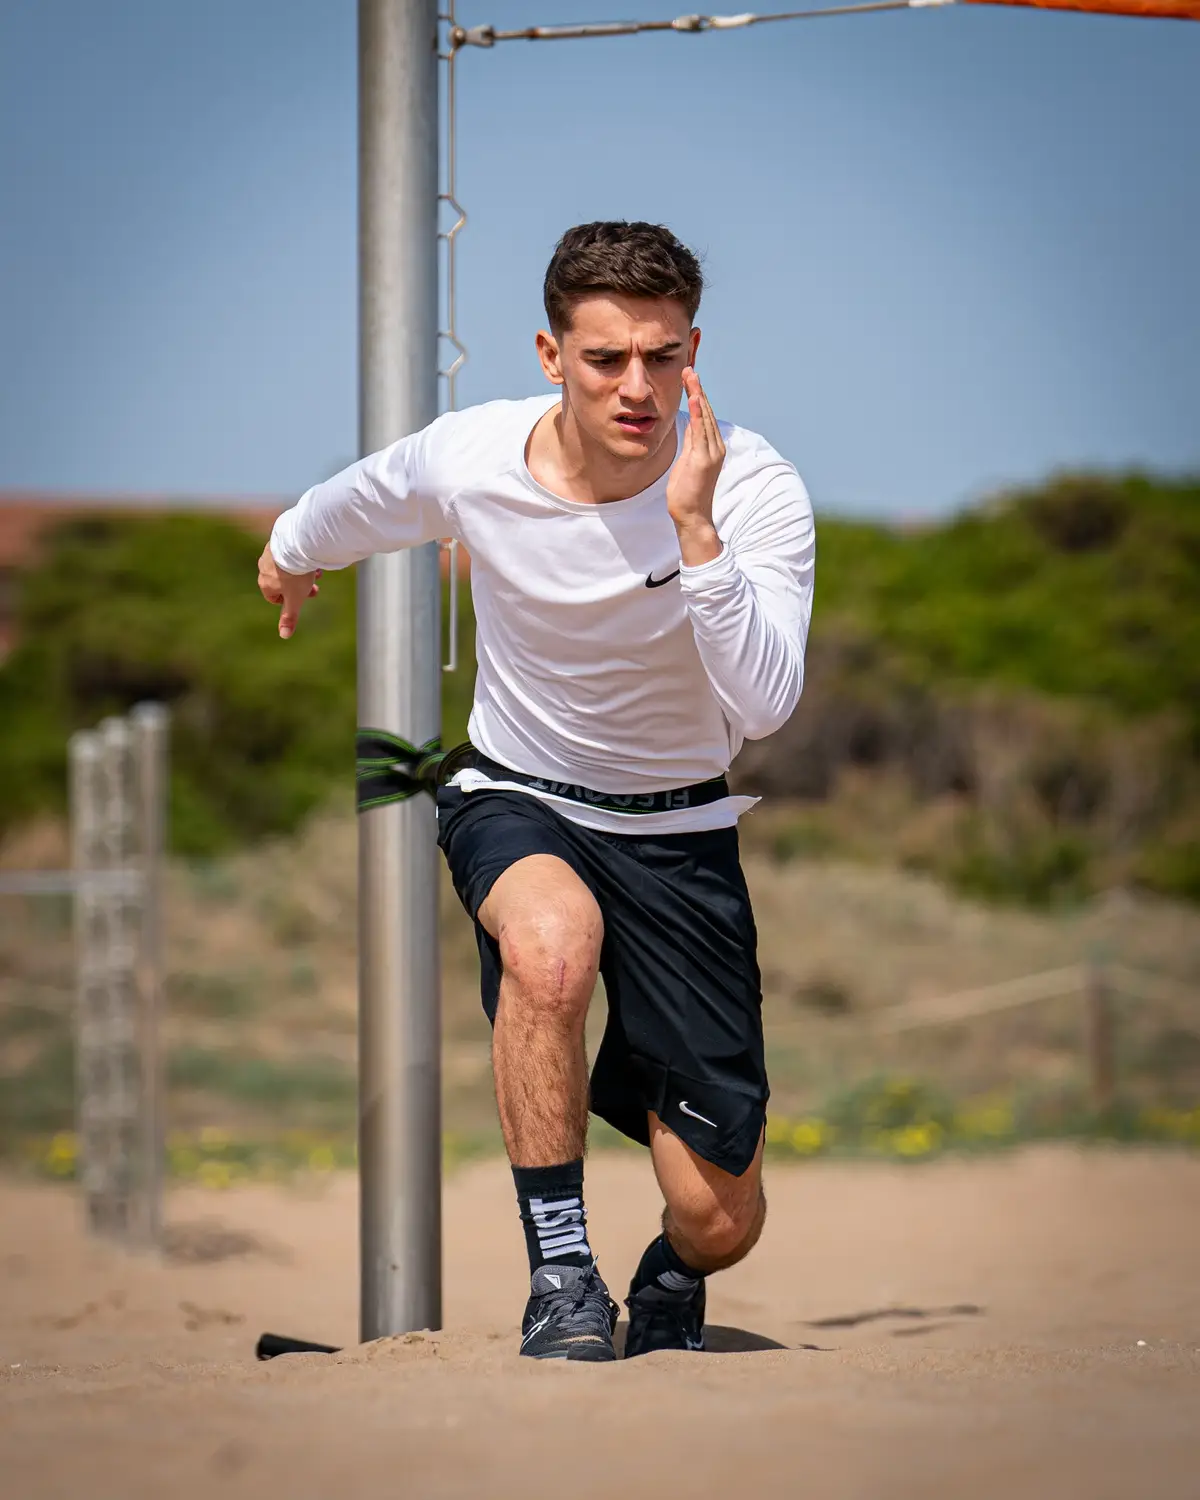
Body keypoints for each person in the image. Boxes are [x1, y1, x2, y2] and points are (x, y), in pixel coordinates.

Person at [258, 221, 816, 1362]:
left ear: (693, 350)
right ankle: (561, 1273)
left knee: (722, 1219)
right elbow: (354, 504)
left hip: (680, 828)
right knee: (550, 949)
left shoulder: (753, 485)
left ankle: (666, 1276)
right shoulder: (474, 455)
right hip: (519, 793)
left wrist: (696, 533)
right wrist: (287, 550)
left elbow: (762, 705)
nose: (638, 387)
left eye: (663, 358)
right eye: (607, 358)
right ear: (552, 354)